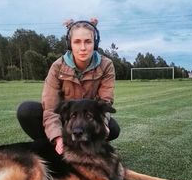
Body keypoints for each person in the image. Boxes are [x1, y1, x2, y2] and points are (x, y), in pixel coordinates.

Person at [17, 18, 120, 155]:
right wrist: (58, 138)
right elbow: (50, 109)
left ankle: (87, 146)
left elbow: (105, 102)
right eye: (77, 42)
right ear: (70, 44)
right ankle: (55, 148)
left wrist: (104, 125)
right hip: (65, 119)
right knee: (27, 110)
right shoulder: (57, 67)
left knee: (113, 129)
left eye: (88, 41)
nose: (83, 48)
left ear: (95, 43)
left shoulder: (106, 65)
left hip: (87, 119)